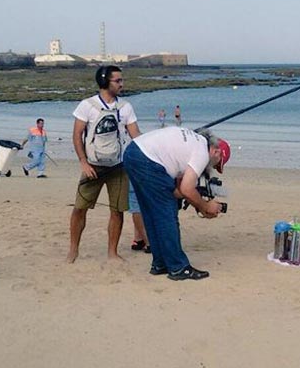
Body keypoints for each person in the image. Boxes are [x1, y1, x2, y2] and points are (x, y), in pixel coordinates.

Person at [124, 127, 230, 280]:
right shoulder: (201, 153)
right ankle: (178, 267)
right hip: (148, 159)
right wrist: (206, 206)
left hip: (133, 153)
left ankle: (160, 263)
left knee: (151, 212)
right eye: (216, 165)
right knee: (167, 212)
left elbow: (178, 190)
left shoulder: (192, 143)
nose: (211, 168)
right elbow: (186, 189)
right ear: (216, 152)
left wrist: (198, 203)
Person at [68, 65, 140, 263]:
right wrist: (83, 162)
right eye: (117, 81)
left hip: (119, 166)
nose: (122, 84)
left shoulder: (126, 107)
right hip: (93, 166)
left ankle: (112, 253)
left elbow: (136, 135)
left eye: (121, 80)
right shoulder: (87, 106)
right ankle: (73, 250)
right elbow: (76, 135)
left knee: (117, 211)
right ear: (104, 82)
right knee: (80, 208)